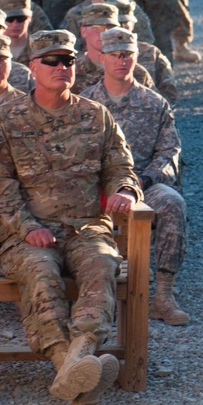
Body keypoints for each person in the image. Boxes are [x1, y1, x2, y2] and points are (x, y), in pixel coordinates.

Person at [0, 29, 143, 405]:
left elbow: (121, 166)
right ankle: (65, 364)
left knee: (103, 264)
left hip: (86, 228)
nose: (61, 67)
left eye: (68, 60)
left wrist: (124, 190)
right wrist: (27, 227)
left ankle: (79, 355)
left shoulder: (95, 115)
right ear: (32, 67)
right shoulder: (8, 117)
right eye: (51, 61)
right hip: (27, 235)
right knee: (39, 271)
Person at [80, 27, 188, 325]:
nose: (121, 60)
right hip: (95, 186)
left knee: (172, 203)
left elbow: (170, 152)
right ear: (101, 58)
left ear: (136, 56)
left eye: (127, 54)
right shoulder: (85, 104)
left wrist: (145, 180)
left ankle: (163, 296)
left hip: (143, 184)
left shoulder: (154, 103)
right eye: (115, 54)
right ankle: (86, 296)